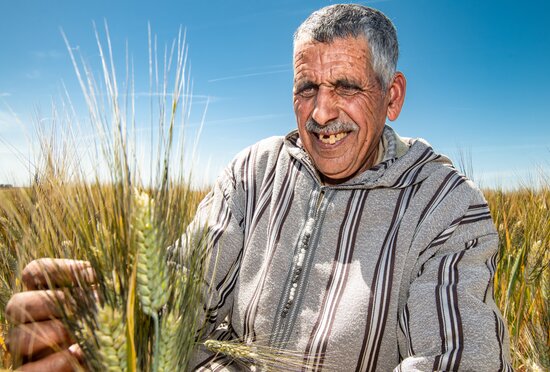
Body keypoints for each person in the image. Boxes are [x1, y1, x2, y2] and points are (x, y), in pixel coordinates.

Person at [6, 4, 512, 371]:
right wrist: (104, 325)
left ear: (392, 96)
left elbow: (460, 360)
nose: (320, 113)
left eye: (346, 87)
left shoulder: (448, 207)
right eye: (306, 88)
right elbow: (182, 292)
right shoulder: (253, 171)